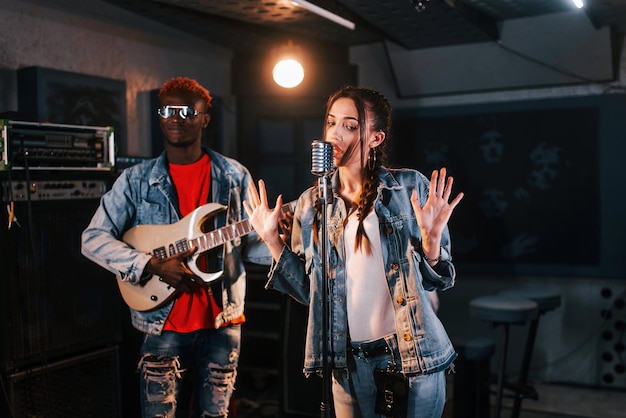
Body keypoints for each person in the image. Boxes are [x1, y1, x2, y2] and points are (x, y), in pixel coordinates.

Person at [244, 86, 463, 417]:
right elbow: (310, 294)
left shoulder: (408, 188)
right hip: (345, 361)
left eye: (350, 125)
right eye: (331, 123)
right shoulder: (311, 203)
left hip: (410, 355)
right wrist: (273, 240)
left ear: (375, 137)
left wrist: (432, 243)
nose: (335, 133)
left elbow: (438, 282)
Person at [81, 76, 270, 418]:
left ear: (205, 118)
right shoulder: (136, 181)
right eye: (167, 109)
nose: (175, 117)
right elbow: (92, 240)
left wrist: (278, 236)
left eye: (186, 110)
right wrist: (151, 265)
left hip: (222, 322)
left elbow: (253, 248)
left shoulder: (233, 176)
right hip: (161, 324)